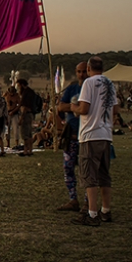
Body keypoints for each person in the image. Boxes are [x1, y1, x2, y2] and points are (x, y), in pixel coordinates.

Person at [71, 56, 116, 226]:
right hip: (106, 134)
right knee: (104, 175)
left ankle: (92, 213)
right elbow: (116, 108)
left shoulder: (88, 83)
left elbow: (84, 108)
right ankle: (105, 210)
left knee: (89, 176)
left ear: (89, 68)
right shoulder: (110, 84)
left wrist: (74, 108)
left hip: (90, 135)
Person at [56, 62, 88, 212]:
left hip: (87, 136)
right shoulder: (72, 88)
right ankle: (73, 199)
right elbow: (61, 107)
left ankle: (89, 202)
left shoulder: (91, 89)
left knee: (86, 171)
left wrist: (78, 108)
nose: (82, 74)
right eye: (79, 71)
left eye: (84, 71)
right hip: (72, 135)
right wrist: (76, 107)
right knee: (68, 169)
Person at [16, 79, 37, 157]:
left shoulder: (26, 93)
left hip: (26, 114)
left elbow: (24, 107)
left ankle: (26, 151)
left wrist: (21, 118)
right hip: (30, 114)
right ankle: (30, 150)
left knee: (25, 134)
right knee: (29, 133)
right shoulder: (31, 92)